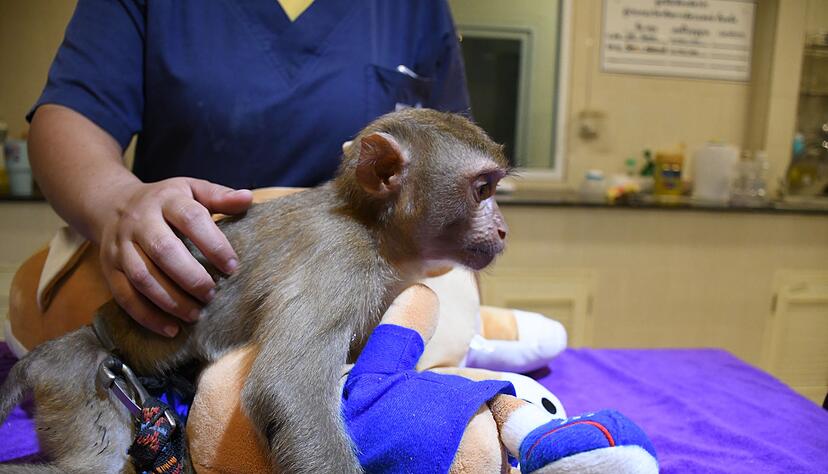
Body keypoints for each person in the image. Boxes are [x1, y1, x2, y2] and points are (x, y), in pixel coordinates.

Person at [26, 0, 470, 337]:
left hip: (362, 310)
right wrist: (115, 201)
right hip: (184, 305)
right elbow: (71, 115)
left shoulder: (417, 9)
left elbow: (456, 164)